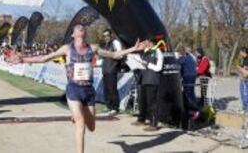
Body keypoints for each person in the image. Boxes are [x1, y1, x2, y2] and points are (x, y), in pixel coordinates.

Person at [9, 24, 141, 153]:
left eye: (82, 27)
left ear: (85, 33)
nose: (80, 27)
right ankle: (77, 121)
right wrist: (23, 60)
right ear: (73, 34)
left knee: (92, 127)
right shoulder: (67, 49)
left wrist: (133, 49)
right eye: (77, 27)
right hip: (73, 89)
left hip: (88, 91)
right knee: (80, 122)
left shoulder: (93, 48)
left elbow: (114, 55)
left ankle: (78, 113)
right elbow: (44, 58)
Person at [132, 39, 164, 131]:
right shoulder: (143, 53)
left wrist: (148, 64)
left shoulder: (158, 51)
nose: (143, 43)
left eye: (145, 42)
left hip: (152, 80)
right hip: (142, 79)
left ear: (150, 43)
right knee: (142, 101)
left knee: (152, 103)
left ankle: (154, 124)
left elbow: (159, 68)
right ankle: (141, 119)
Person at [101, 29, 123, 115]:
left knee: (112, 89)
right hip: (105, 69)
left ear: (111, 35)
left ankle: (115, 107)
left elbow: (120, 55)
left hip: (112, 69)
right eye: (104, 36)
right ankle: (108, 106)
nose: (106, 37)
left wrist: (112, 55)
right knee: (106, 89)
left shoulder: (115, 42)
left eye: (107, 35)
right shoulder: (105, 45)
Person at [237, 47, 248, 112]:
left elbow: (246, 72)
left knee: (245, 94)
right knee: (243, 93)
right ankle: (244, 108)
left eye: (241, 52)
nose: (240, 54)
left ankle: (245, 108)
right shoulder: (244, 59)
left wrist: (239, 68)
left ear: (244, 52)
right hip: (243, 79)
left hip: (246, 80)